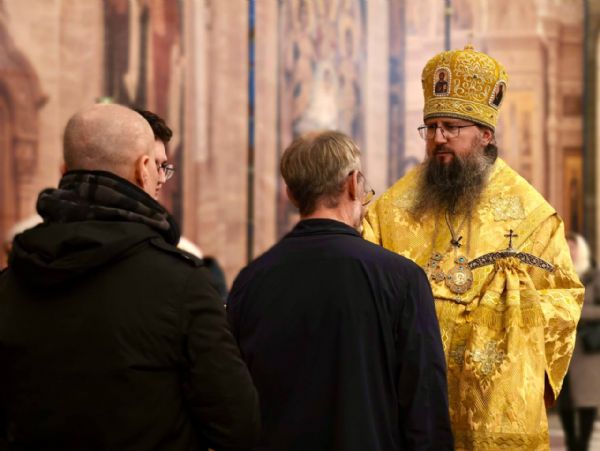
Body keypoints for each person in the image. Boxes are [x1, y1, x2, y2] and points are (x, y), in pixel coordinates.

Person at [0, 103, 259, 450]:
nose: (161, 180)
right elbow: (238, 425)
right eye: (159, 169)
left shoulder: (11, 282)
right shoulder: (182, 284)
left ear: (65, 170)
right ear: (143, 169)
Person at [363, 45, 584, 450]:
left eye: (451, 127)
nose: (438, 138)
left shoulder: (532, 215)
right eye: (430, 127)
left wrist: (505, 317)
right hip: (410, 396)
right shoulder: (390, 209)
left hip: (491, 399)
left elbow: (564, 297)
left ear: (485, 134)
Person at [228, 130, 454, 451]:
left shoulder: (250, 282)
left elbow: (235, 403)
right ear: (352, 183)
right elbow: (425, 409)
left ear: (291, 194)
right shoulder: (403, 280)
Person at [558, 233, 600, 451]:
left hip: (586, 350)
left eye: (573, 247)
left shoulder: (595, 276)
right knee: (564, 401)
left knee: (586, 401)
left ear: (581, 249)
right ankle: (571, 443)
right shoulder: (556, 274)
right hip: (561, 348)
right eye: (566, 246)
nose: (570, 251)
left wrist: (577, 311)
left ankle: (582, 445)